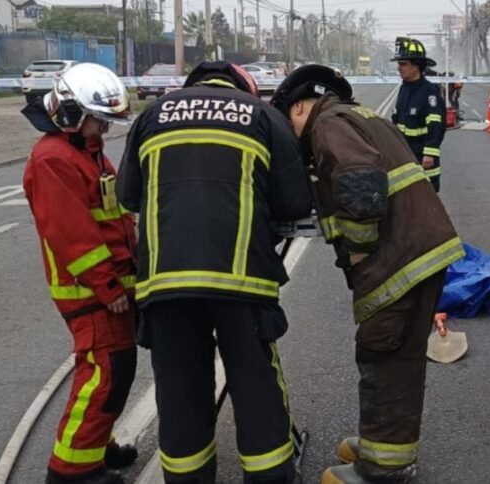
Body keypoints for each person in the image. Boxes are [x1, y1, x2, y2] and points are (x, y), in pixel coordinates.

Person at [116, 61, 312, 484]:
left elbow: (127, 194)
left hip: (165, 283)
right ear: (245, 87)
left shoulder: (153, 116)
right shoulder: (261, 115)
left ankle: (188, 478)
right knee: (255, 379)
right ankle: (271, 475)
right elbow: (295, 202)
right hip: (242, 279)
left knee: (180, 385)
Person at [271, 64, 464, 484]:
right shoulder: (358, 116)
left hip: (399, 257)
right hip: (418, 248)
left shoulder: (328, 124)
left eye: (287, 118)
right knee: (396, 355)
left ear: (299, 106)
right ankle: (382, 443)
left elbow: (360, 183)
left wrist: (358, 252)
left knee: (384, 353)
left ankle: (384, 466)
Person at [21, 63, 139, 484]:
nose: (104, 130)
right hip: (89, 290)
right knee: (104, 373)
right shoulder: (53, 159)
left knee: (115, 370)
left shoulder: (84, 150)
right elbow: (73, 234)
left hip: (108, 285)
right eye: (99, 120)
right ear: (71, 113)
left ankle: (95, 447)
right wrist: (107, 284)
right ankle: (72, 470)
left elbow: (111, 218)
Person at [390, 37, 446, 191]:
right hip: (404, 155)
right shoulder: (404, 89)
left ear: (416, 66)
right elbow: (397, 121)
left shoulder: (430, 92)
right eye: (399, 64)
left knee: (427, 200)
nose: (399, 68)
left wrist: (429, 153)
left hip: (423, 157)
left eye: (403, 64)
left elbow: (437, 125)